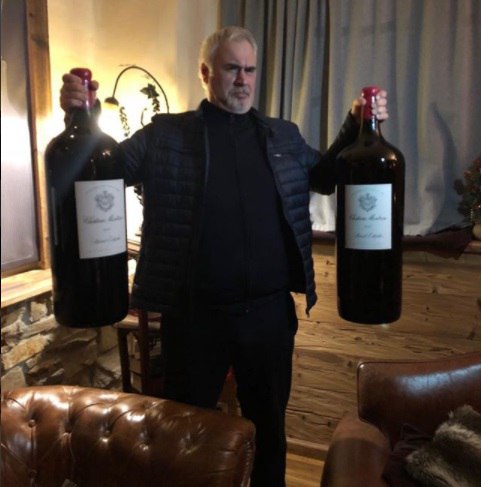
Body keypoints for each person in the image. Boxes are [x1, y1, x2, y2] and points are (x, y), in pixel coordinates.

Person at [60, 26, 388, 486]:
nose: (242, 80)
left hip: (269, 318)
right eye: (232, 68)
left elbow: (327, 177)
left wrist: (356, 125)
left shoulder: (283, 136)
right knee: (186, 440)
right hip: (195, 320)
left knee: (268, 433)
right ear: (205, 72)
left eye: (250, 69)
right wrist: (85, 115)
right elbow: (105, 167)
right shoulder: (164, 135)